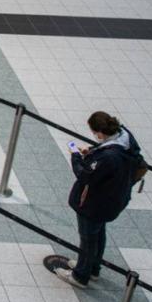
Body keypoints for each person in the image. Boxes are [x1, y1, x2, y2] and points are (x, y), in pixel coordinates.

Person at [56, 111, 143, 289]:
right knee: (98, 233)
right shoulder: (125, 139)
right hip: (113, 200)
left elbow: (84, 175)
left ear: (100, 133)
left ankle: (80, 275)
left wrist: (75, 155)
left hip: (95, 203)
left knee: (88, 237)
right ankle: (93, 268)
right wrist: (94, 152)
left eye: (95, 133)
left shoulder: (109, 157)